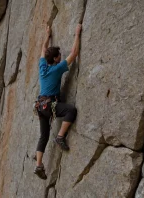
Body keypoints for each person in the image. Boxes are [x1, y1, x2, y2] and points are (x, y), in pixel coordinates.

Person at [34, 24, 82, 180]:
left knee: (43, 136)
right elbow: (74, 53)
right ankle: (60, 136)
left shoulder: (43, 67)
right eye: (59, 55)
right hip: (50, 105)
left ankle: (39, 165)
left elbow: (43, 49)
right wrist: (77, 33)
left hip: (40, 106)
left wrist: (47, 35)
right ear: (55, 59)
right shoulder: (56, 69)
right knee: (71, 111)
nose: (61, 56)